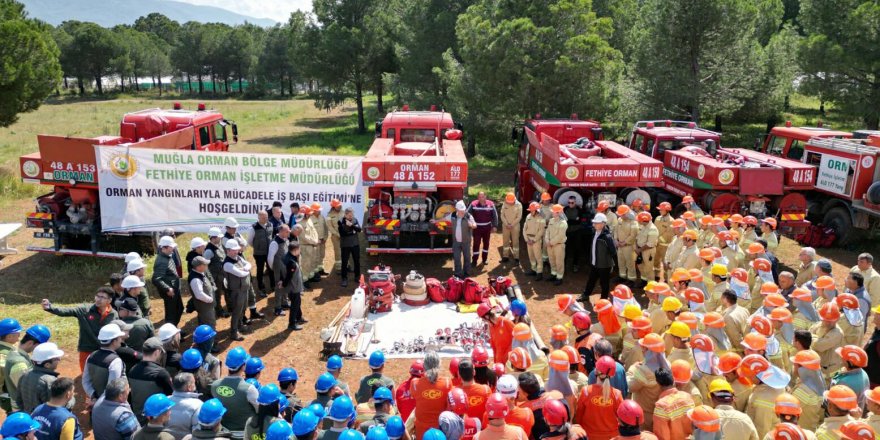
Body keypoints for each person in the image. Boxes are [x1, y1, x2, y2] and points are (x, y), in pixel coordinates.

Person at [41, 287, 118, 371]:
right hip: (87, 349)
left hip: (105, 350)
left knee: (102, 374)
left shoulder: (113, 314)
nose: (98, 299)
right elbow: (67, 311)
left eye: (102, 297)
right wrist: (50, 307)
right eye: (97, 296)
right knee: (86, 374)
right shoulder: (84, 310)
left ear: (109, 300)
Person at [211, 346, 258, 436]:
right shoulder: (249, 389)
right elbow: (259, 410)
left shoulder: (215, 385)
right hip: (244, 433)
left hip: (223, 432)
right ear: (243, 366)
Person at [3, 324, 49, 412]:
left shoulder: (16, 352)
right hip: (23, 410)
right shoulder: (20, 364)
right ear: (30, 343)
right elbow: (27, 392)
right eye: (39, 346)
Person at [576, 356, 623, 440]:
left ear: (596, 371)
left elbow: (578, 417)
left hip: (590, 436)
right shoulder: (617, 395)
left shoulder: (586, 392)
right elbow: (622, 419)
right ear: (611, 375)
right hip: (612, 437)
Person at [129, 338, 175, 425]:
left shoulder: (132, 370)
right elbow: (171, 395)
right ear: (157, 352)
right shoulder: (161, 373)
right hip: (157, 420)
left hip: (137, 419)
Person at [412, 351, 453, 439]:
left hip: (421, 432)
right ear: (439, 365)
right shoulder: (447, 383)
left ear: (424, 366)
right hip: (440, 432)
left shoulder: (415, 383)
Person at [82, 324, 126, 404]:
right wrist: (100, 402)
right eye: (119, 338)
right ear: (114, 341)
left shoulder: (91, 356)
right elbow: (112, 389)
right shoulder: (115, 361)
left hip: (95, 403)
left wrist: (94, 396)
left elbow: (85, 381)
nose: (121, 340)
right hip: (110, 406)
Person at [18, 342, 64, 413]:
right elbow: (58, 405)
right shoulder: (51, 381)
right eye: (56, 358)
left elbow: (19, 399)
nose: (59, 360)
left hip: (29, 417)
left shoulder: (25, 374)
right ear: (47, 365)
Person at [651, 367, 694, 440]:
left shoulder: (661, 406)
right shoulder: (687, 396)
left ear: (658, 383)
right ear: (673, 380)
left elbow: (662, 435)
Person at [582, 213, 617, 301]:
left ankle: (604, 299)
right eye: (594, 223)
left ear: (603, 224)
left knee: (604, 283)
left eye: (596, 223)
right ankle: (586, 295)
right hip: (595, 263)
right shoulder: (594, 233)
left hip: (604, 265)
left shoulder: (607, 237)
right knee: (591, 280)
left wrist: (613, 266)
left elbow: (613, 252)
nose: (594, 225)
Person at [223, 239, 252, 341]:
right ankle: (234, 332)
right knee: (236, 311)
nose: (236, 251)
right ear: (228, 250)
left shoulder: (238, 257)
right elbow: (240, 274)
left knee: (243, 308)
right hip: (236, 291)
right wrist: (245, 270)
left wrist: (245, 269)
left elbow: (249, 264)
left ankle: (240, 326)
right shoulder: (227, 263)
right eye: (234, 250)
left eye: (237, 249)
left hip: (244, 288)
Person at [153, 235, 184, 327]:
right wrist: (167, 289)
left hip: (174, 290)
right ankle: (171, 333)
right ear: (165, 247)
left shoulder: (167, 256)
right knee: (171, 314)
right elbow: (156, 279)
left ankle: (174, 328)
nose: (173, 248)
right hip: (170, 292)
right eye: (171, 247)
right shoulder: (161, 261)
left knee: (179, 308)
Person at [443, 201, 476, 277]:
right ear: (457, 210)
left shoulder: (468, 216)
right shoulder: (453, 215)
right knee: (457, 258)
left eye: (463, 210)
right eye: (461, 211)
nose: (462, 212)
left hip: (466, 242)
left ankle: (466, 273)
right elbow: (444, 219)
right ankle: (458, 274)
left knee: (467, 258)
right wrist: (435, 221)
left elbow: (475, 225)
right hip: (456, 242)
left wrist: (472, 225)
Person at [166, 373, 204, 439]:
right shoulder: (198, 404)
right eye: (194, 382)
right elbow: (197, 430)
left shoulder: (165, 399)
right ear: (189, 387)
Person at [204, 227, 230, 319]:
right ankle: (219, 312)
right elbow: (205, 266)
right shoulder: (209, 250)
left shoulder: (219, 245)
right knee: (217, 295)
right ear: (213, 238)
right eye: (219, 237)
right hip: (215, 277)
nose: (220, 238)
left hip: (223, 275)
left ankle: (230, 308)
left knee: (227, 291)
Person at [467, 192, 498, 267]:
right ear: (477, 197)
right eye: (479, 197)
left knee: (486, 244)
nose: (481, 198)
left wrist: (495, 226)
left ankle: (484, 259)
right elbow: (467, 214)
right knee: (476, 244)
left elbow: (495, 215)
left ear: (485, 197)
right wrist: (470, 223)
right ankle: (474, 260)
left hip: (487, 228)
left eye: (483, 197)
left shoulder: (491, 204)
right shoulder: (473, 204)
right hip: (477, 228)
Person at [280, 242, 306, 331]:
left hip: (292, 286)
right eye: (299, 249)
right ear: (295, 250)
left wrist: (282, 281)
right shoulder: (292, 262)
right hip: (293, 287)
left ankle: (299, 317)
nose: (300, 251)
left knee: (297, 302)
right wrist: (283, 284)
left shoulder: (287, 257)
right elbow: (289, 276)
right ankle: (292, 323)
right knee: (295, 305)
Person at [249, 210, 275, 294]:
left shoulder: (271, 225)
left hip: (269, 252)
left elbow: (272, 237)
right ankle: (261, 287)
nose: (265, 219)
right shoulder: (254, 227)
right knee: (260, 270)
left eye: (266, 217)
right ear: (258, 217)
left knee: (271, 269)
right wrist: (257, 247)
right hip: (259, 253)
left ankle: (273, 285)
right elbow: (250, 241)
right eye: (263, 217)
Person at [269, 225, 291, 316]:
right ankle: (277, 308)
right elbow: (270, 258)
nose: (288, 233)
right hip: (278, 268)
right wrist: (273, 268)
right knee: (279, 286)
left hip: (285, 267)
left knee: (286, 284)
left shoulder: (286, 240)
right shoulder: (274, 243)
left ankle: (284, 302)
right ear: (281, 231)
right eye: (287, 231)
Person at [189, 256, 218, 328]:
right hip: (205, 307)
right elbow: (199, 294)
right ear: (198, 267)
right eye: (205, 264)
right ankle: (210, 338)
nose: (207, 266)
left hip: (207, 306)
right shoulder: (195, 279)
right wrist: (210, 299)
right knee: (209, 324)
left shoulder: (200, 273)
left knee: (207, 323)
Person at [544, 204, 568, 285]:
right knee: (552, 260)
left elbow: (560, 236)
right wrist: (547, 240)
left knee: (559, 262)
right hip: (550, 245)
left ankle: (559, 277)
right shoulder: (551, 220)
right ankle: (553, 274)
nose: (552, 213)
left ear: (558, 213)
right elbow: (547, 231)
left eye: (553, 212)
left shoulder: (563, 223)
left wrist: (550, 242)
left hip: (558, 245)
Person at [523, 202, 547, 280]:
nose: (530, 211)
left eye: (532, 210)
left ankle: (539, 273)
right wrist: (527, 239)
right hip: (528, 239)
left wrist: (534, 240)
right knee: (531, 256)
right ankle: (533, 270)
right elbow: (524, 229)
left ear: (536, 210)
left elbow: (541, 231)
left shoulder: (541, 218)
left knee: (538, 257)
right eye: (530, 210)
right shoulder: (528, 216)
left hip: (536, 240)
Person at [338, 207, 362, 288]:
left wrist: (351, 226)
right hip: (345, 245)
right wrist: (352, 231)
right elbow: (343, 234)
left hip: (355, 244)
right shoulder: (341, 221)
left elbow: (359, 229)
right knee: (344, 262)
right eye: (349, 215)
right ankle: (344, 279)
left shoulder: (355, 220)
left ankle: (357, 276)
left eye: (352, 214)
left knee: (356, 261)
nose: (351, 216)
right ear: (345, 214)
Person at [634, 212, 659, 288]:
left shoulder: (653, 229)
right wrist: (637, 248)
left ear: (644, 220)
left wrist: (639, 250)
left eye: (639, 220)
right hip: (640, 250)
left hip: (648, 251)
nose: (638, 221)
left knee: (649, 268)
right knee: (641, 266)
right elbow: (637, 237)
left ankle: (651, 285)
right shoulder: (642, 226)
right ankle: (644, 281)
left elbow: (650, 244)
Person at [499, 193, 523, 264]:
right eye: (508, 202)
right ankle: (505, 256)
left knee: (515, 242)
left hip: (515, 226)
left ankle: (516, 258)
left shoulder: (519, 205)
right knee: (505, 241)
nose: (509, 203)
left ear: (514, 200)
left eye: (510, 202)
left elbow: (519, 217)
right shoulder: (505, 203)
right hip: (505, 226)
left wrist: (512, 224)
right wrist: (507, 224)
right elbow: (502, 215)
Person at [326, 199, 344, 272]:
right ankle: (339, 268)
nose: (339, 207)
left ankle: (346, 265)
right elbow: (330, 227)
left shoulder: (344, 212)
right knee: (338, 252)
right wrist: (337, 234)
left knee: (345, 250)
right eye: (337, 206)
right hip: (335, 236)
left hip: (344, 236)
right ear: (333, 207)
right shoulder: (329, 215)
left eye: (339, 205)